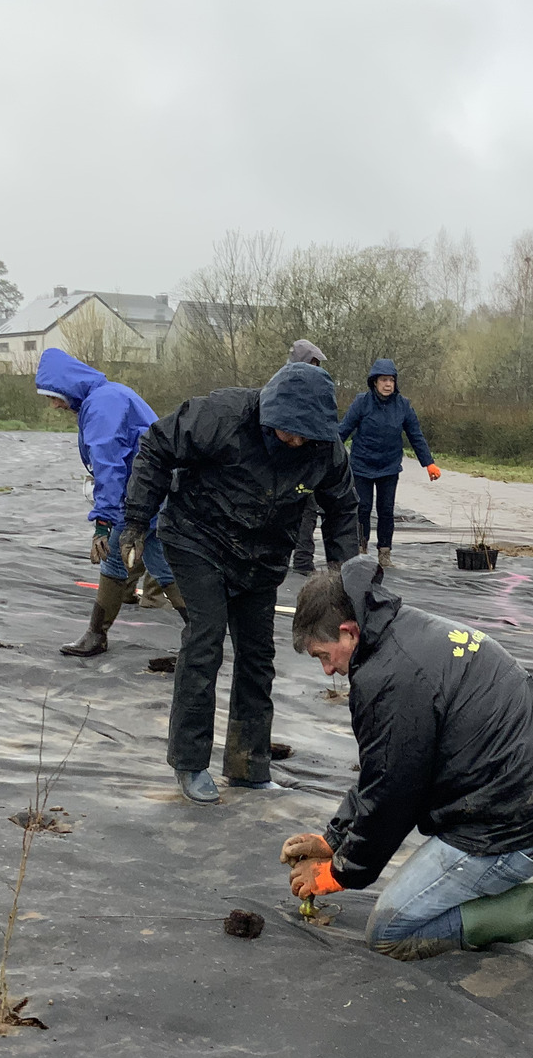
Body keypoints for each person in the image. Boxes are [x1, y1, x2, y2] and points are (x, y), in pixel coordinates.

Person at [282, 558, 533, 968]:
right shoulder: (402, 629)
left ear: (349, 632)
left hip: (524, 815)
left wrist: (341, 872)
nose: (328, 669)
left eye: (323, 655)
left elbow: (392, 794)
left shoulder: (389, 678)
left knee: (390, 932)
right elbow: (386, 766)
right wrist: (333, 838)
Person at [122, 355, 358, 804]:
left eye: (304, 434)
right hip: (198, 537)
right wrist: (135, 519)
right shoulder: (222, 417)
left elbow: (343, 510)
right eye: (287, 429)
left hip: (263, 554)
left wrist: (346, 579)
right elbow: (155, 447)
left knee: (258, 654)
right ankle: (190, 762)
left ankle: (249, 765)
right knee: (206, 638)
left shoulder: (325, 451)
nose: (294, 440)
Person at [33, 348, 165, 657]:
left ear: (68, 387)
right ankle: (201, 638)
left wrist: (103, 522)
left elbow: (109, 465)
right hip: (155, 490)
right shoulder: (109, 396)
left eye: (54, 396)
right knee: (160, 562)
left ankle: (96, 634)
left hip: (143, 494)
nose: (54, 405)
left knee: (117, 557)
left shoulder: (102, 405)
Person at [337, 357, 441, 564]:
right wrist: (326, 455)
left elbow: (416, 435)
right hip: (362, 465)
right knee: (363, 507)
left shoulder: (403, 406)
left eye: (391, 380)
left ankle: (385, 552)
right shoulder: (361, 403)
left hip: (389, 467)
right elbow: (343, 431)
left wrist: (428, 463)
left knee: (386, 510)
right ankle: (361, 548)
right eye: (383, 380)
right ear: (374, 382)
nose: (387, 384)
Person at [281, 339, 330, 575]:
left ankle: (302, 562)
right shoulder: (280, 389)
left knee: (309, 511)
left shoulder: (318, 393)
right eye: (312, 364)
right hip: (281, 465)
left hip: (306, 466)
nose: (316, 370)